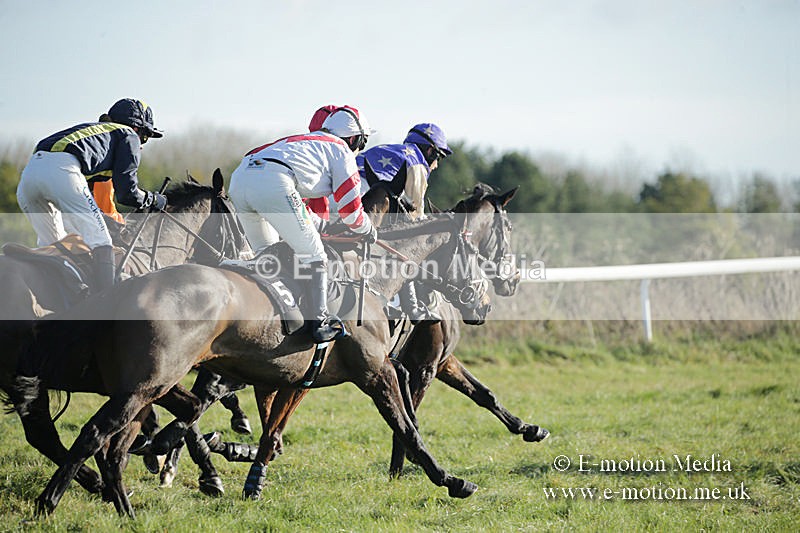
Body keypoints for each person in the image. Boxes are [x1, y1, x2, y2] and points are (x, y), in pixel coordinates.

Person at [228, 106, 377, 343]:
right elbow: (351, 212)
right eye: (363, 142)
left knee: (267, 258)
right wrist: (367, 229)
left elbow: (297, 206)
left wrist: (322, 225)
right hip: (274, 181)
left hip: (239, 179)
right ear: (354, 139)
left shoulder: (304, 142)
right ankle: (320, 322)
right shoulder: (342, 151)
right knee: (315, 255)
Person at [16, 98, 167, 290]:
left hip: (29, 175)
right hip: (62, 171)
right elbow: (127, 194)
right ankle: (107, 299)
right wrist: (153, 200)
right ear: (136, 128)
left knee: (56, 246)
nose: (142, 145)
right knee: (101, 241)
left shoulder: (96, 136)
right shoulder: (129, 135)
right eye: (144, 137)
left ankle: (59, 296)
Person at [357, 123, 453, 323]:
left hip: (340, 195)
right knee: (408, 246)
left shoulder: (389, 149)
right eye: (439, 157)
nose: (436, 165)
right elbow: (416, 221)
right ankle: (410, 307)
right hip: (363, 200)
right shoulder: (417, 164)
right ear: (430, 151)